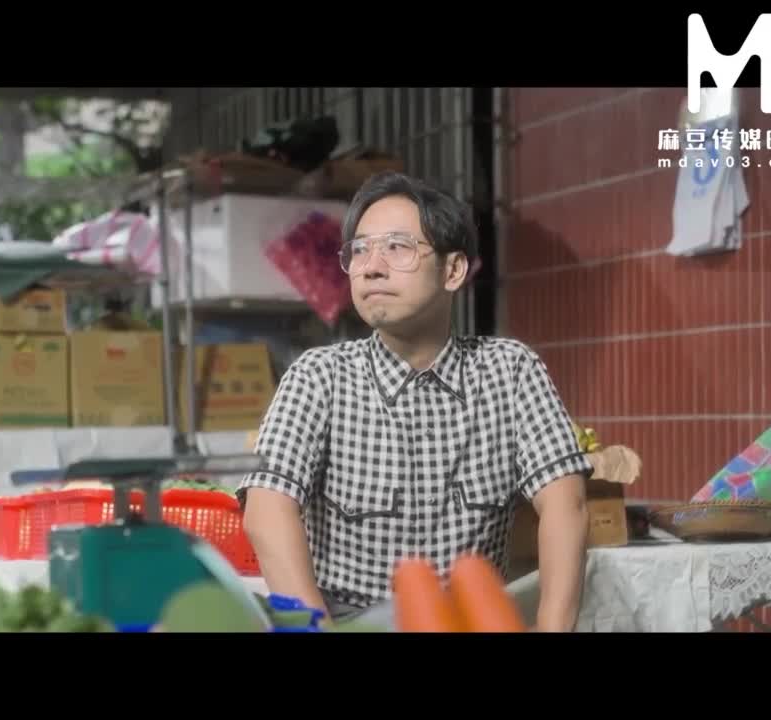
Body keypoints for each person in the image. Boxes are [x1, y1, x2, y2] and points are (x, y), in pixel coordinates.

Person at [237, 171, 591, 631]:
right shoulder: (319, 376)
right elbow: (267, 510)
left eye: (397, 247)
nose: (371, 266)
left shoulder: (510, 370)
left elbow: (566, 505)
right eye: (360, 250)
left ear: (453, 270)